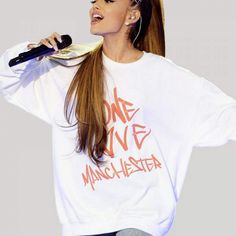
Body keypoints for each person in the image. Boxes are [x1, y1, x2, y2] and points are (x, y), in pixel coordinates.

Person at [0, 0, 235, 235]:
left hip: (139, 221)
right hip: (84, 223)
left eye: (108, 0)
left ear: (132, 15)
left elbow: (226, 117)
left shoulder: (168, 78)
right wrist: (31, 53)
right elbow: (6, 78)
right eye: (94, 1)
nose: (95, 6)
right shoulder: (69, 67)